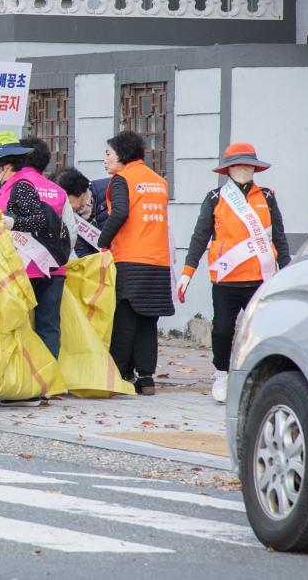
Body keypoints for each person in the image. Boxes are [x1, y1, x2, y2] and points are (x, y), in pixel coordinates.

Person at [178, 143, 291, 403]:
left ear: (255, 167)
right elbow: (200, 237)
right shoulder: (215, 198)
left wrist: (286, 272)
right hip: (226, 279)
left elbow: (280, 238)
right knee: (222, 330)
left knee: (261, 331)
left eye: (248, 164)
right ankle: (222, 374)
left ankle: (259, 376)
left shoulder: (268, 197)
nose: (243, 168)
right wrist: (187, 272)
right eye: (238, 164)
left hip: (260, 279)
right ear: (228, 169)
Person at [96, 131, 174, 396]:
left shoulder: (122, 179)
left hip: (131, 258)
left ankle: (118, 376)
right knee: (148, 322)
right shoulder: (158, 181)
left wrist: (102, 241)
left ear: (123, 155)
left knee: (125, 321)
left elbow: (119, 212)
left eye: (108, 154)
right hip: (158, 261)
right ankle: (147, 378)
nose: (105, 160)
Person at [0, 133, 68, 358]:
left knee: (41, 325)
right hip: (25, 266)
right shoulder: (4, 187)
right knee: (28, 324)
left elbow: (39, 219)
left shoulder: (21, 187)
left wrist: (12, 223)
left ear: (5, 167)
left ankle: (45, 380)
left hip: (37, 267)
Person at [54, 167, 101, 258]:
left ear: (79, 192)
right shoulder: (72, 218)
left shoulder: (110, 192)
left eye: (67, 202)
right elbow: (84, 254)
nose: (63, 207)